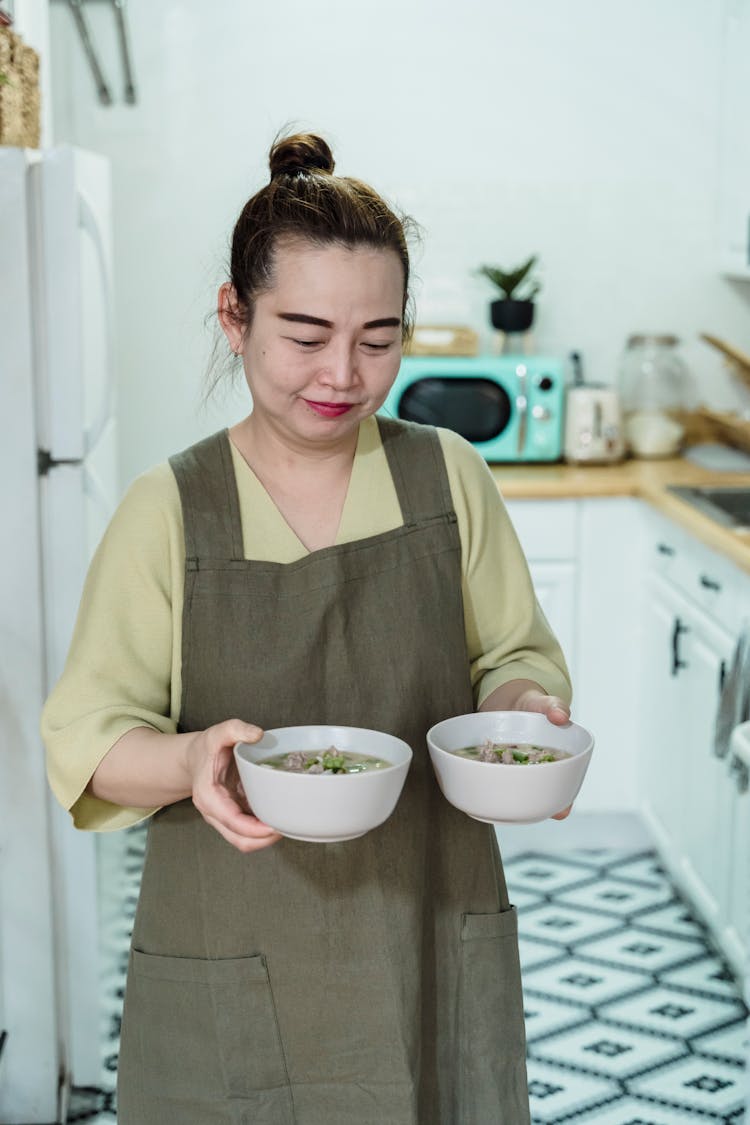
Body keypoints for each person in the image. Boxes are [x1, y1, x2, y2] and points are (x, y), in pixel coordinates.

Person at [42, 130, 573, 1125]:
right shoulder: (169, 510)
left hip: (426, 933)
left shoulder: (449, 477)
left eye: (379, 338)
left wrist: (523, 713)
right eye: (306, 333)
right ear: (233, 318)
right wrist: (193, 758)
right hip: (232, 950)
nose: (345, 372)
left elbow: (514, 655)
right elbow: (87, 740)